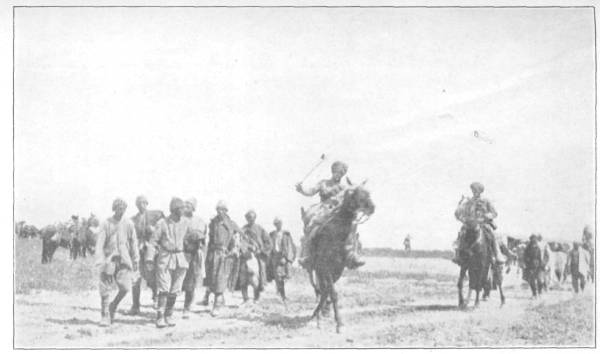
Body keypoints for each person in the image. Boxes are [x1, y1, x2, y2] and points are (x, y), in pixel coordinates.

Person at [295, 160, 364, 269]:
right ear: (333, 172)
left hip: (338, 210)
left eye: (341, 174)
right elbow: (311, 191)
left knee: (352, 225)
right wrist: (301, 189)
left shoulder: (344, 187)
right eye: (337, 172)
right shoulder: (323, 183)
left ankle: (352, 256)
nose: (339, 175)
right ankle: (308, 255)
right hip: (323, 209)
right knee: (312, 224)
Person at [95, 198, 139, 327]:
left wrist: (135, 259)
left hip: (124, 260)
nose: (121, 211)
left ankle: (113, 306)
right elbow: (100, 243)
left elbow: (134, 242)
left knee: (126, 288)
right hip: (109, 260)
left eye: (123, 209)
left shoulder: (129, 224)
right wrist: (100, 259)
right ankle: (105, 315)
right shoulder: (106, 223)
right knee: (105, 288)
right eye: (119, 208)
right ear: (114, 209)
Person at [154, 197, 193, 328]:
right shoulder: (162, 223)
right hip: (165, 258)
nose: (184, 211)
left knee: (175, 289)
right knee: (164, 288)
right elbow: (153, 241)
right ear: (175, 210)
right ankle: (159, 317)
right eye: (181, 208)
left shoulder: (186, 222)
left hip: (181, 259)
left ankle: (168, 315)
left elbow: (191, 238)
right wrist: (149, 259)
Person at [203, 200, 242, 317]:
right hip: (213, 254)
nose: (219, 212)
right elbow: (210, 239)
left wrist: (234, 250)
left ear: (226, 211)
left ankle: (216, 307)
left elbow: (239, 237)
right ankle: (219, 301)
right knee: (212, 279)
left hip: (224, 255)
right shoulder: (213, 223)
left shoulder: (231, 224)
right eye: (218, 209)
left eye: (222, 209)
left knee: (220, 279)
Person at [129, 196, 165, 315]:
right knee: (136, 277)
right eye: (139, 203)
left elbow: (163, 228)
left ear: (147, 204)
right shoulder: (133, 219)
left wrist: (153, 229)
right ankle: (135, 306)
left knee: (151, 276)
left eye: (144, 203)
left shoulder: (155, 215)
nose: (141, 205)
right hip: (138, 251)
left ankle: (155, 297)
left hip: (151, 251)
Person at [453, 182, 503, 266]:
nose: (474, 191)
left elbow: (494, 213)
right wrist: (462, 212)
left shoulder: (486, 200)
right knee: (462, 233)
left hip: (483, 223)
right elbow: (460, 213)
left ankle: (497, 255)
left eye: (476, 190)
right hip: (471, 223)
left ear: (480, 191)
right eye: (473, 189)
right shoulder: (469, 201)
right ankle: (458, 255)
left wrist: (486, 216)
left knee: (491, 233)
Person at [181, 197, 207, 318]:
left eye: (189, 205)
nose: (186, 207)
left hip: (193, 254)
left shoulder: (199, 221)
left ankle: (186, 307)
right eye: (185, 205)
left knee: (190, 281)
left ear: (193, 208)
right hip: (180, 253)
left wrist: (193, 236)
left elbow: (200, 236)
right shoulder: (179, 220)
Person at [238, 210, 272, 303]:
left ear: (255, 218)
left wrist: (261, 250)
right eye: (248, 217)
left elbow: (268, 242)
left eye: (252, 217)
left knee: (257, 278)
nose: (250, 219)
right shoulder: (243, 229)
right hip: (245, 256)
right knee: (242, 278)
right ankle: (245, 299)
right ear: (246, 218)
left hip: (257, 256)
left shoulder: (260, 229)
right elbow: (239, 241)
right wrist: (244, 248)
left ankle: (256, 298)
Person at [268, 218, 297, 303]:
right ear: (275, 225)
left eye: (279, 223)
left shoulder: (286, 234)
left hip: (284, 257)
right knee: (278, 277)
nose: (278, 225)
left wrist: (287, 258)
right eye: (276, 224)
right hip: (275, 257)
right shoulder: (272, 234)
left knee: (284, 276)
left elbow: (290, 246)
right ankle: (282, 296)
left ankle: (281, 293)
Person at [524, 234, 544, 298]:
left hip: (538, 265)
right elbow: (525, 256)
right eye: (533, 239)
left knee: (539, 280)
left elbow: (540, 257)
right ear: (531, 240)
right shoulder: (527, 248)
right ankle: (534, 294)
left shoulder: (538, 248)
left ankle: (540, 292)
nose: (534, 240)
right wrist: (527, 261)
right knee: (532, 281)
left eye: (535, 239)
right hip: (530, 266)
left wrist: (541, 265)